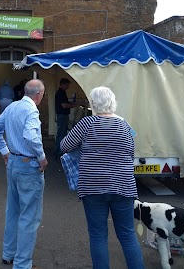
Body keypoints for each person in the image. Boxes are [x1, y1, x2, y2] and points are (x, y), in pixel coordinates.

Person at [60, 86, 145, 269]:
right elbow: (131, 152)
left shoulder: (86, 124)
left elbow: (64, 146)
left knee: (98, 236)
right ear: (113, 103)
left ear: (93, 104)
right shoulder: (125, 125)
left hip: (93, 186)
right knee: (128, 235)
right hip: (123, 186)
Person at [0, 79, 48, 269]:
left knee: (13, 211)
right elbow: (31, 137)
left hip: (13, 162)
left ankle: (8, 254)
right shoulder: (31, 110)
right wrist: (42, 157)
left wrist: (5, 151)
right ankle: (22, 264)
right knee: (29, 216)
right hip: (27, 164)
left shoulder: (13, 107)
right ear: (39, 95)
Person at [54, 78, 80, 159]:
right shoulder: (61, 93)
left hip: (61, 115)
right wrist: (76, 105)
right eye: (67, 85)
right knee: (62, 133)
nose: (68, 87)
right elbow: (64, 105)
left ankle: (57, 150)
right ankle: (59, 152)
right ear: (63, 84)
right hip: (62, 115)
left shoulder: (61, 92)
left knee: (60, 133)